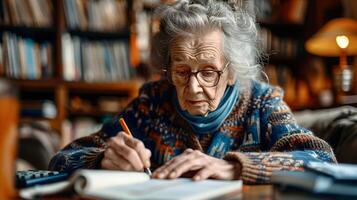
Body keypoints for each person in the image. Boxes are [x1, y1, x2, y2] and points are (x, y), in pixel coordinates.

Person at [49, 0, 336, 184]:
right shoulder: (152, 102)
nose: (194, 86)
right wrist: (102, 159)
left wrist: (235, 168)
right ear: (168, 68)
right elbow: (62, 159)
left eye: (209, 72)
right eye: (182, 71)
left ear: (233, 69)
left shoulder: (262, 102)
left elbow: (322, 161)